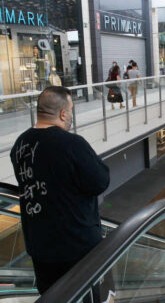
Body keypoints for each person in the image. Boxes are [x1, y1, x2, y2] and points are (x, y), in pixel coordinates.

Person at [10, 86, 109, 295]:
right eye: (71, 109)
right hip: (77, 248)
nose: (71, 115)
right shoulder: (71, 143)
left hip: (41, 250)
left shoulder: (19, 145)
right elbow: (100, 181)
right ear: (63, 113)